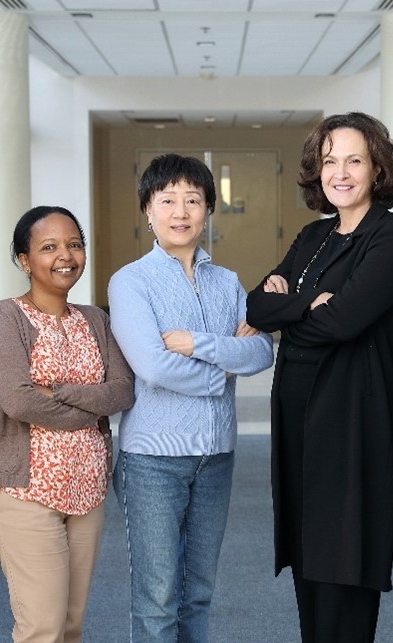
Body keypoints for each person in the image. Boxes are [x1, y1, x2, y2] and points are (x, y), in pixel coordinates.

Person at [246, 112, 393, 643]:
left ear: (376, 168)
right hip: (298, 411)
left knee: (345, 550)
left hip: (350, 412)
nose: (340, 173)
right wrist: (308, 304)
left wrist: (291, 306)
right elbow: (255, 305)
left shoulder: (392, 234)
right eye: (329, 161)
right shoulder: (314, 235)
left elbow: (344, 321)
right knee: (307, 550)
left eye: (354, 160)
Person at [108, 153, 274, 643]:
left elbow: (262, 351)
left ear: (208, 210)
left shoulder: (227, 282)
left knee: (198, 591)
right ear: (148, 209)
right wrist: (223, 369)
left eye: (193, 201)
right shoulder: (131, 281)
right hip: (153, 461)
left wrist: (197, 343)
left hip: (216, 456)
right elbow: (153, 367)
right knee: (158, 597)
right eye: (168, 200)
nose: (181, 212)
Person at [0, 206, 134, 642]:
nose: (65, 255)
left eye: (74, 244)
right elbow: (16, 400)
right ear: (25, 260)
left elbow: (122, 391)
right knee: (41, 628)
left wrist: (57, 390)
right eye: (49, 247)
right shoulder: (4, 318)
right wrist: (91, 402)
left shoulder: (96, 320)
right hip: (24, 494)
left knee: (69, 626)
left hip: (87, 493)